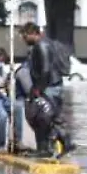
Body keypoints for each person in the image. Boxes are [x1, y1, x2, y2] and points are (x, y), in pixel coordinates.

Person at [21, 23, 73, 156]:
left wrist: (38, 89)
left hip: (48, 87)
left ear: (33, 33)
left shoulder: (42, 45)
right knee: (50, 117)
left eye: (25, 36)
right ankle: (59, 144)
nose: (23, 39)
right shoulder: (48, 43)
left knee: (41, 117)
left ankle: (47, 149)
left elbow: (45, 69)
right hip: (53, 85)